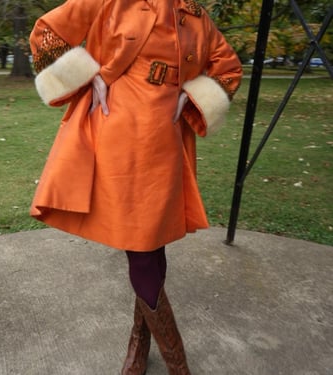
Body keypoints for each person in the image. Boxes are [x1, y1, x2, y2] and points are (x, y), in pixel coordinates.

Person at [29, 0, 242, 374]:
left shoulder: (194, 15)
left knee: (150, 240)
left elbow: (228, 66)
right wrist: (87, 75)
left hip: (165, 140)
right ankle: (179, 365)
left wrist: (190, 97)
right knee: (141, 246)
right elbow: (46, 32)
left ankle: (140, 341)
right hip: (118, 132)